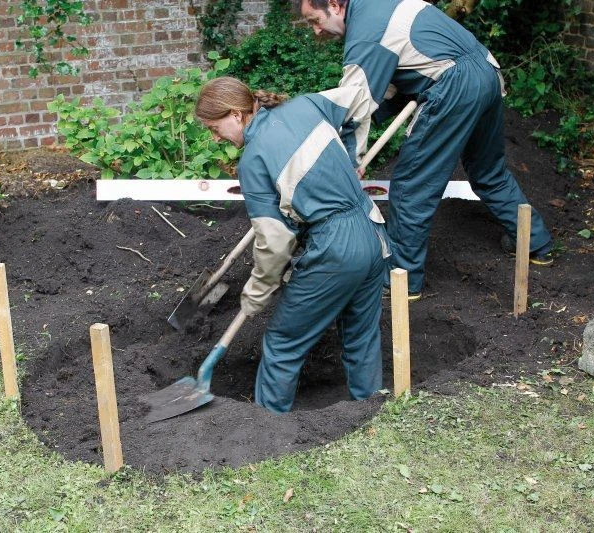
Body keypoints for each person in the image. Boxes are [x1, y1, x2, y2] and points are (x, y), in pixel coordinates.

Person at [299, 0, 555, 301]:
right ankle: (535, 243)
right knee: (489, 170)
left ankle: (402, 278)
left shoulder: (367, 33)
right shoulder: (381, 7)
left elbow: (353, 106)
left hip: (455, 85)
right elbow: (398, 76)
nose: (316, 30)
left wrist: (344, 162)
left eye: (315, 20)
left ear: (333, 5)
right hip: (486, 72)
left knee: (411, 185)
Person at [195, 76, 390, 414]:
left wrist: (255, 295)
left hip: (336, 247)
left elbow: (274, 243)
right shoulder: (306, 104)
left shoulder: (253, 159)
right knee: (361, 335)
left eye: (215, 128)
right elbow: (359, 100)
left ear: (236, 115)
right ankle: (371, 414)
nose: (215, 138)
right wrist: (350, 154)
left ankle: (266, 427)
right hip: (372, 233)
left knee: (283, 342)